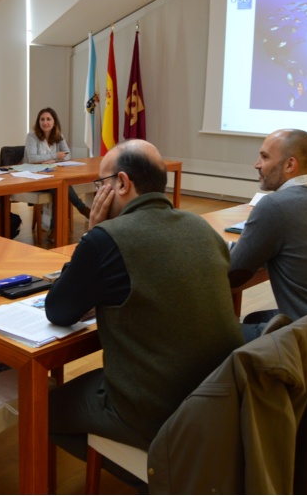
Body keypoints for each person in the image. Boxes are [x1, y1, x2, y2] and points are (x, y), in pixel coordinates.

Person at [44, 139, 243, 483]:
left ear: (122, 183)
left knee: (42, 410)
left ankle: (159, 476)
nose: (97, 193)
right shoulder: (201, 227)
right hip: (218, 401)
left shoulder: (106, 238)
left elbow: (58, 310)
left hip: (155, 412)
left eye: (101, 184)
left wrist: (91, 235)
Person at [229, 129, 307, 343]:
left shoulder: (274, 205)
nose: (257, 164)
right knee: (254, 319)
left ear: (289, 165)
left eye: (264, 157)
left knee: (212, 335)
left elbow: (233, 274)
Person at [24, 107, 90, 221]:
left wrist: (54, 161)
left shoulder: (58, 135)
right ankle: (82, 208)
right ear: (38, 122)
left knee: (59, 186)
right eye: (42, 119)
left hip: (52, 176)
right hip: (34, 178)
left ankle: (54, 228)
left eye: (48, 119)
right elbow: (33, 158)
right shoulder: (32, 136)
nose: (45, 122)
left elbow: (67, 155)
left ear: (54, 122)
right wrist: (55, 155)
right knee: (59, 186)